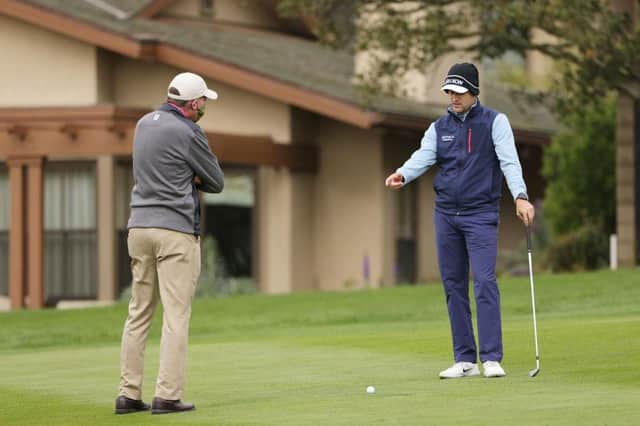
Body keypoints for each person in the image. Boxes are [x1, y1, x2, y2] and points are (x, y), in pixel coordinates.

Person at [385, 63, 534, 379]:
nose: (453, 97)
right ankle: (464, 359)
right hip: (446, 215)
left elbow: (509, 161)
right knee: (453, 285)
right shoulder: (439, 127)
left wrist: (520, 195)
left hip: (480, 214)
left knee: (483, 282)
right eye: (450, 91)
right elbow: (423, 156)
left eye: (459, 91)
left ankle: (491, 357)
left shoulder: (495, 122)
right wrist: (403, 173)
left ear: (474, 92)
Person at [115, 72, 224, 414]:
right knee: (176, 315)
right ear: (192, 104)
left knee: (138, 313)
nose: (205, 105)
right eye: (203, 101)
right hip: (174, 230)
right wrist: (191, 177)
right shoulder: (190, 131)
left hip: (138, 228)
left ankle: (128, 395)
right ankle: (167, 396)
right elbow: (217, 181)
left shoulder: (144, 124)